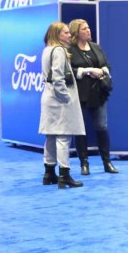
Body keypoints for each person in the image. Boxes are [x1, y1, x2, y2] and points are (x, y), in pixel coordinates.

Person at [68, 19, 118, 175]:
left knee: (102, 126)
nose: (88, 30)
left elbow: (107, 65)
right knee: (80, 129)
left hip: (98, 93)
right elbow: (70, 71)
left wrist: (103, 69)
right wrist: (88, 70)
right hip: (80, 94)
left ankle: (107, 162)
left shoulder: (96, 47)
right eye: (84, 29)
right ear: (76, 32)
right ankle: (84, 163)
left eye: (89, 28)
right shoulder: (70, 50)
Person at [39, 22, 85, 189]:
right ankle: (64, 175)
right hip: (59, 99)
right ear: (58, 35)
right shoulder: (59, 51)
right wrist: (66, 97)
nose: (69, 35)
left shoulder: (47, 50)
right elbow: (58, 77)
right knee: (64, 137)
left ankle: (49, 172)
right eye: (65, 33)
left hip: (48, 97)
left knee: (51, 136)